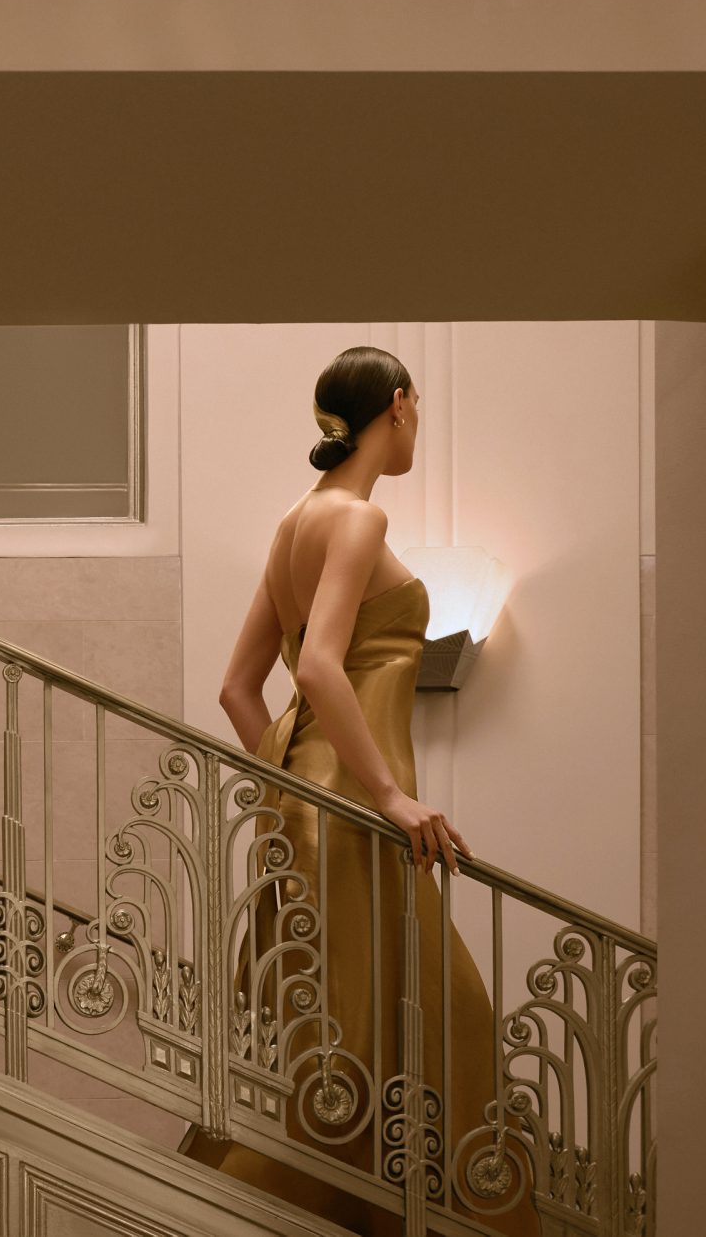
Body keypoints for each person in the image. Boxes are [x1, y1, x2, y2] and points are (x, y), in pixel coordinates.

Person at [178, 346, 539, 1237]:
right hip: (356, 809)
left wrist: (289, 784)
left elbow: (237, 688)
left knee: (338, 1025)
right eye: (416, 410)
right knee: (411, 1019)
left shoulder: (295, 522)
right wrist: (388, 796)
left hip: (304, 795)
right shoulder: (357, 524)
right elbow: (324, 665)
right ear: (401, 406)